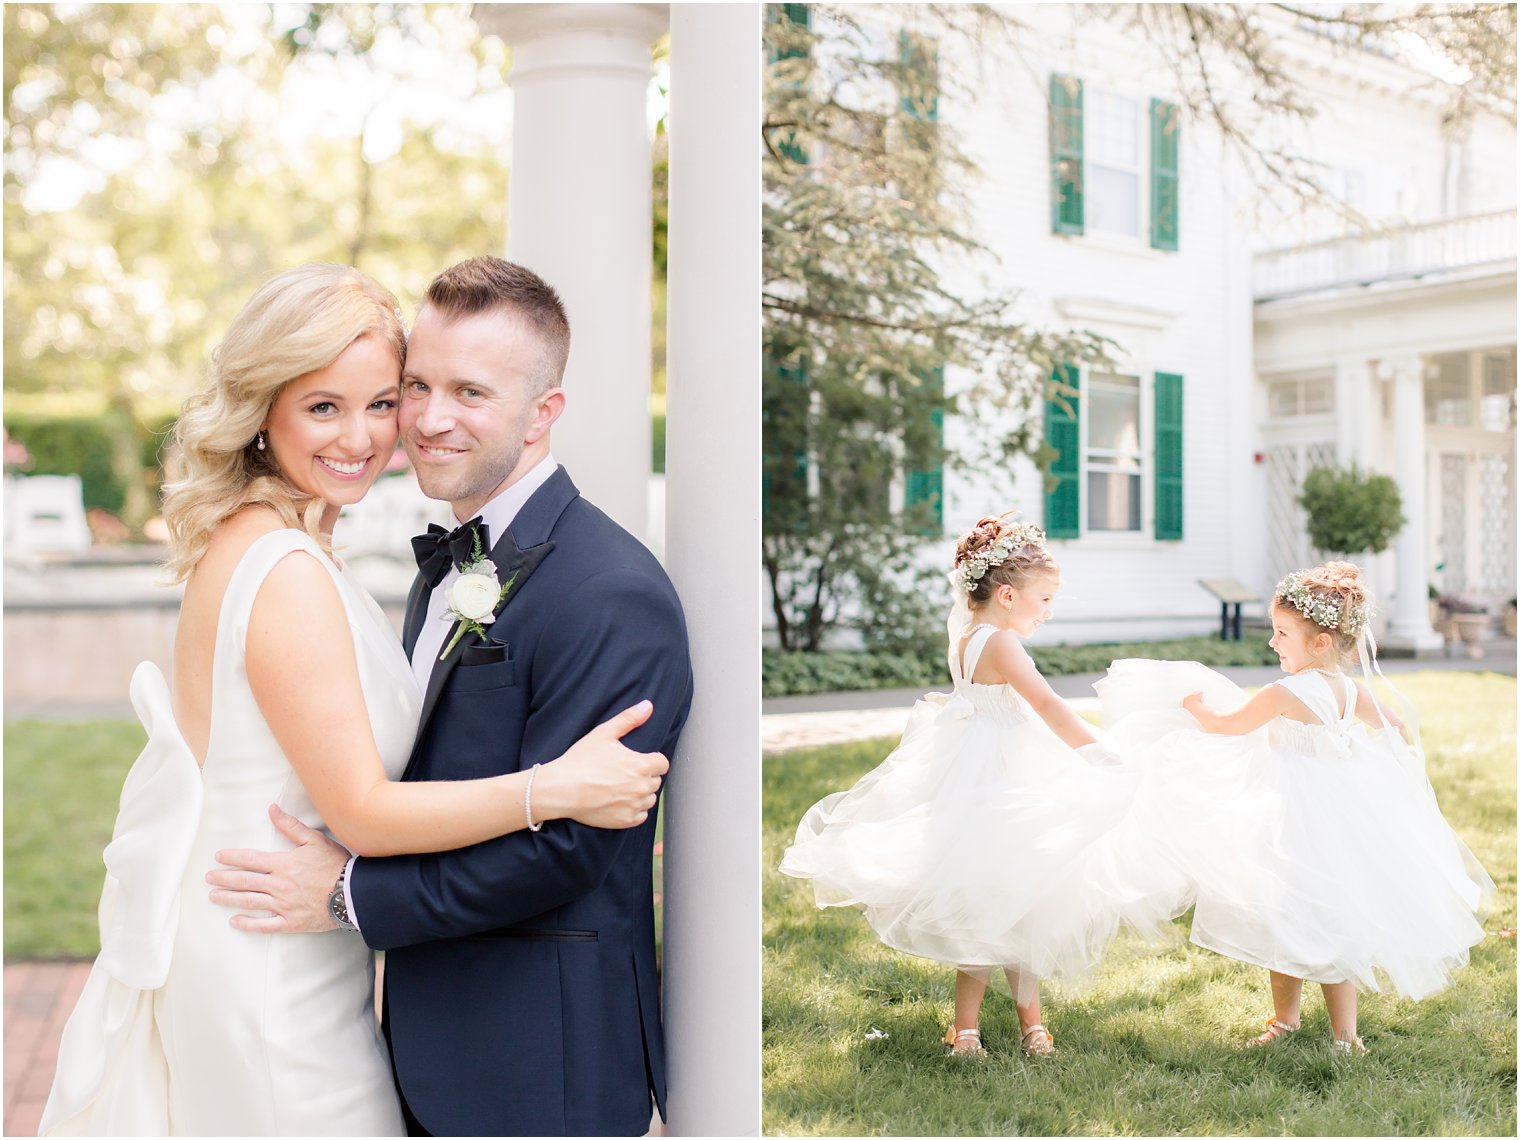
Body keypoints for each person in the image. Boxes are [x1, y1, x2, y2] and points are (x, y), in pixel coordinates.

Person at [38, 264, 669, 1137]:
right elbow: (366, 813)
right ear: (265, 410)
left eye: (381, 401)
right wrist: (550, 788)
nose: (370, 435)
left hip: (298, 953)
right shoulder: (285, 569)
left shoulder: (293, 549)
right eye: (324, 406)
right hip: (267, 962)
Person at [779, 516, 1187, 1059]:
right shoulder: (1002, 643)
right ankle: (1019, 1028)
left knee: (992, 902)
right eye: (1043, 598)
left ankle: (974, 1029)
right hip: (1005, 781)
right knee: (1019, 898)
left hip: (972, 776)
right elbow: (1047, 704)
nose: (1048, 610)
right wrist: (1099, 754)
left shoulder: (965, 632)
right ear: (1008, 593)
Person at [1100, 561, 1494, 1055]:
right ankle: (1344, 1037)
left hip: (1290, 817)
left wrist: (1193, 704)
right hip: (1336, 815)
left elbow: (1226, 727)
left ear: (1321, 642)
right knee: (1331, 919)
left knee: (1283, 913)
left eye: (1282, 633)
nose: (1273, 642)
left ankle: (1288, 1020)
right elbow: (1397, 728)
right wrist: (1354, 756)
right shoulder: (1351, 690)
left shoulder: (1284, 691)